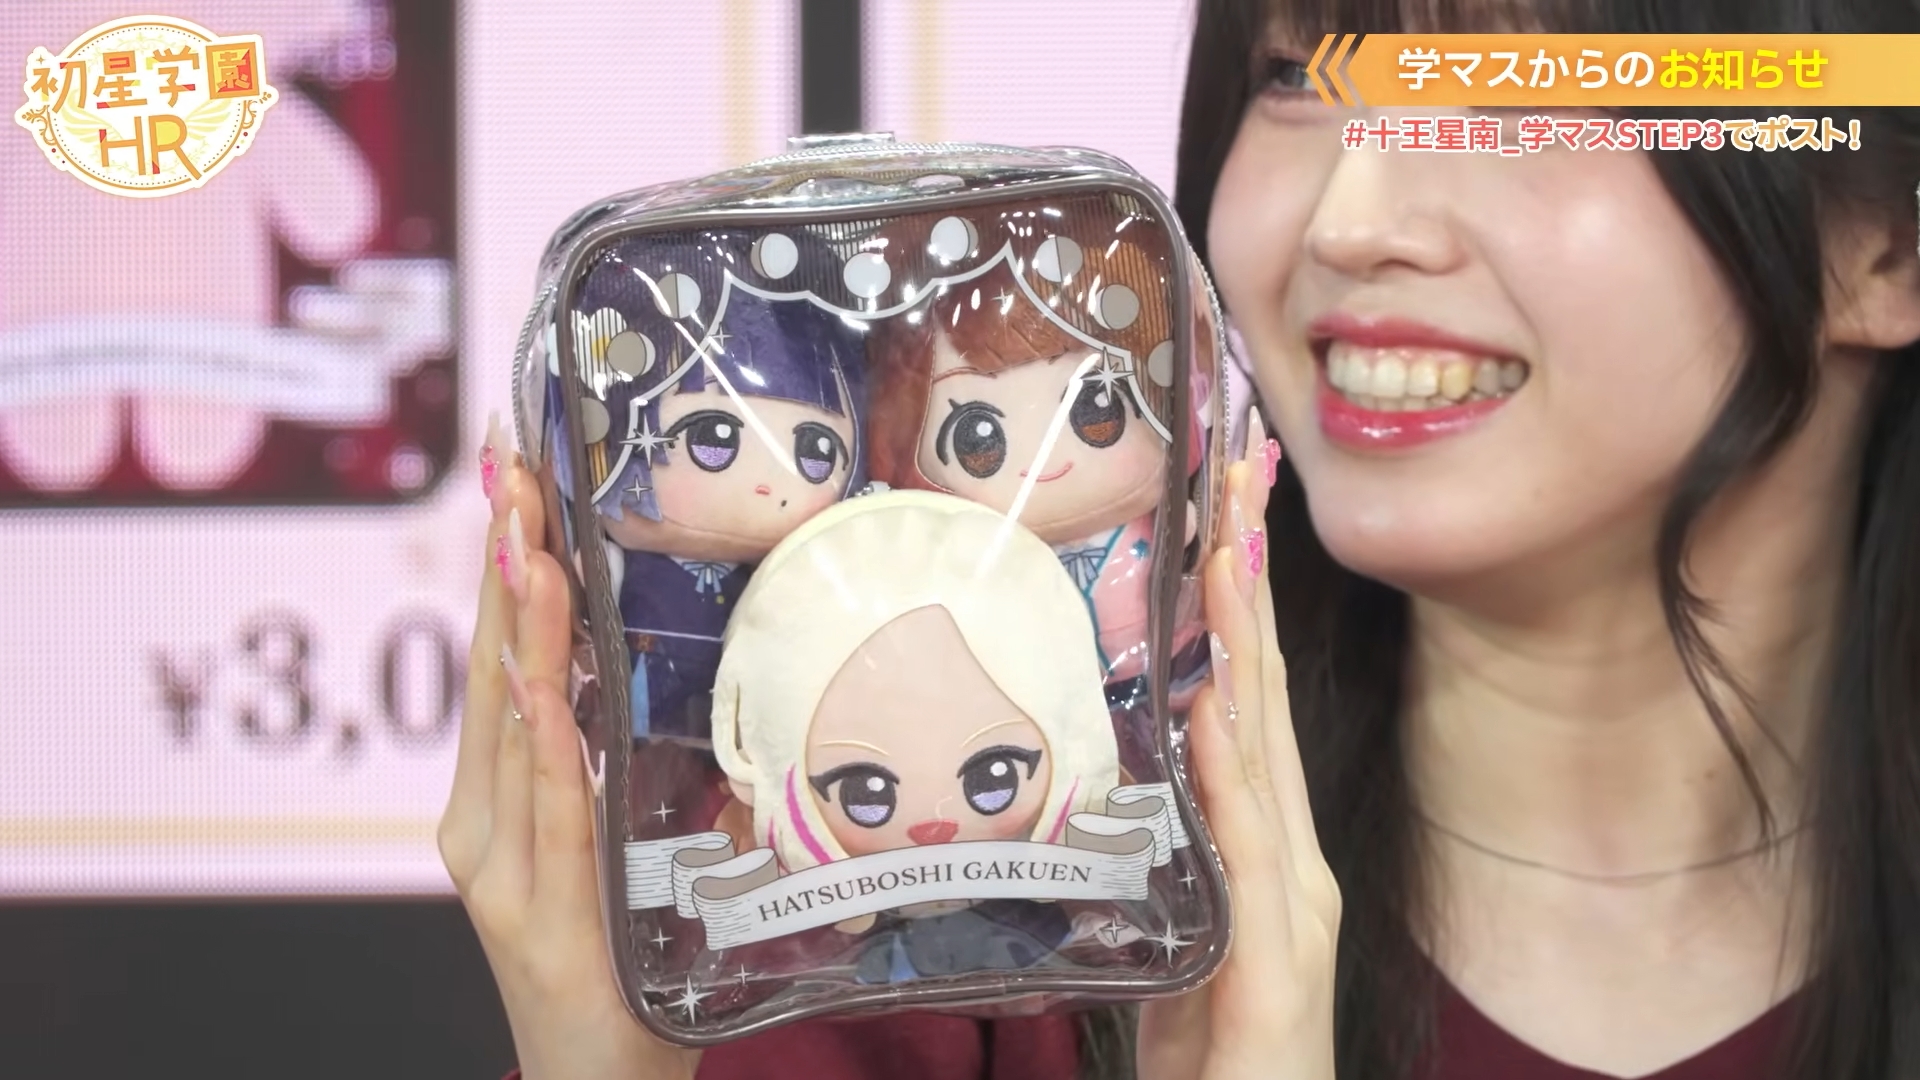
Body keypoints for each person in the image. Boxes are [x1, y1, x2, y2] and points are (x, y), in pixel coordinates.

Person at [441, 0, 1920, 1077]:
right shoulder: (948, 921)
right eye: (1294, 75)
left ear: (1889, 243)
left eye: (1514, 89)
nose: (1351, 218)